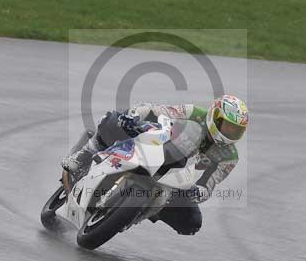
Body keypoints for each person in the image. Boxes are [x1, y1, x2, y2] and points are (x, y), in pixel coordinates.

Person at [61, 95, 249, 235]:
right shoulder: (194, 112)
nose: (231, 132)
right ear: (215, 116)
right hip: (160, 146)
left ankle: (138, 212)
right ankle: (83, 155)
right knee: (113, 120)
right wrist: (133, 117)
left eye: (236, 130)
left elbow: (209, 184)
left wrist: (198, 192)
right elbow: (158, 110)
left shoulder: (229, 156)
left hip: (178, 178)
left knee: (192, 222)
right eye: (228, 126)